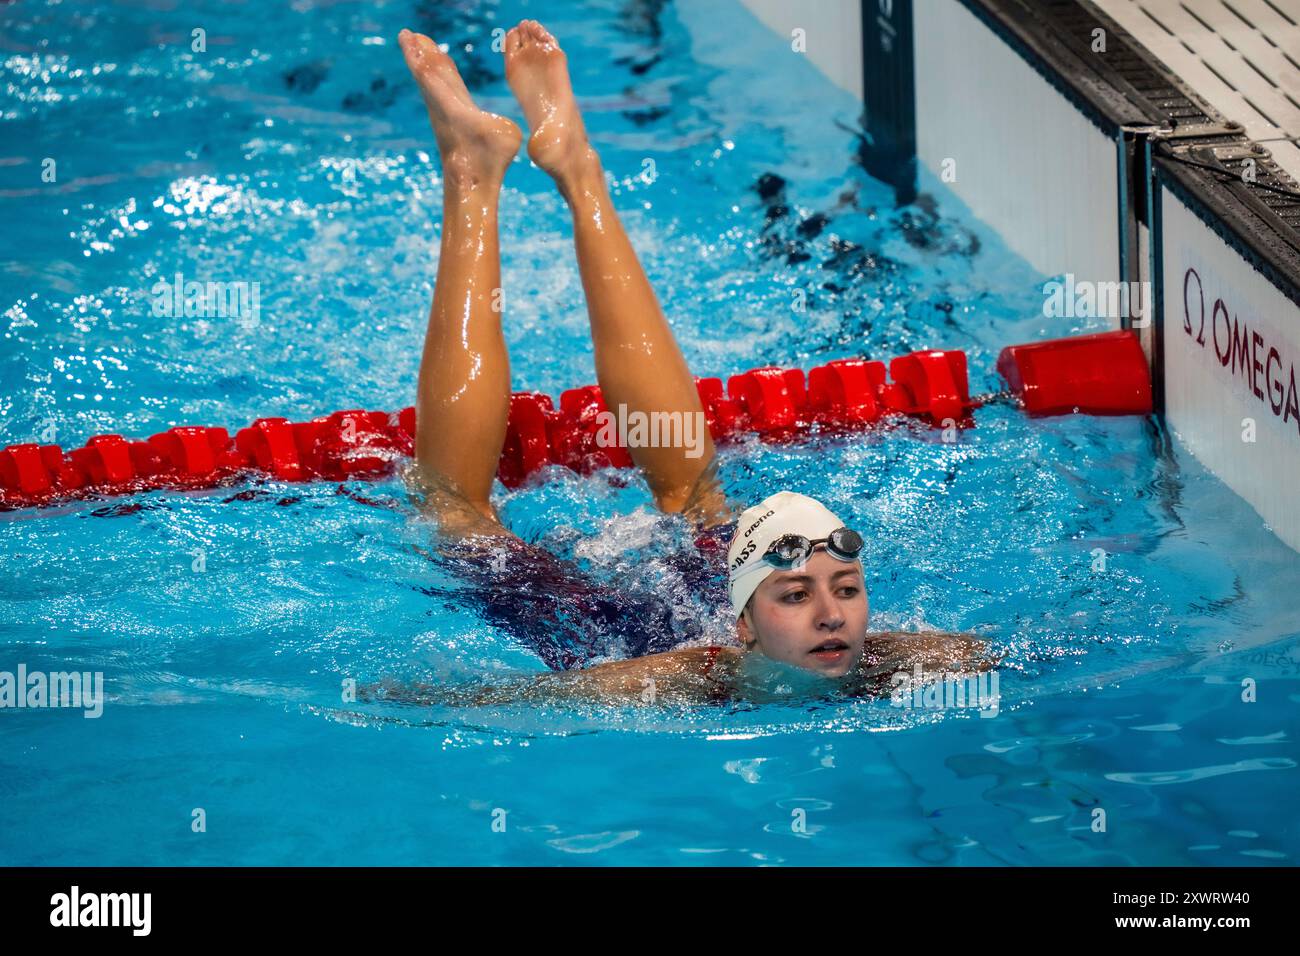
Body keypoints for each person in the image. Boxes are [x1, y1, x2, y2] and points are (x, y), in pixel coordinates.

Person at [380, 21, 990, 708]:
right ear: (744, 629)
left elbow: (986, 653)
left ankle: (576, 165)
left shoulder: (877, 658)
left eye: (847, 590)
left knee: (696, 497)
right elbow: (518, 703)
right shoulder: (684, 678)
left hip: (730, 581)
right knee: (456, 517)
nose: (831, 615)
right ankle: (477, 175)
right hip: (622, 633)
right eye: (799, 594)